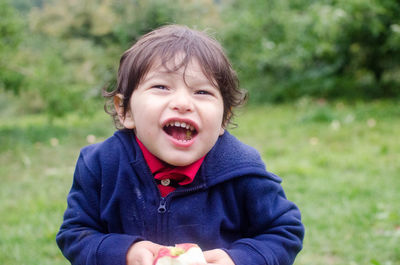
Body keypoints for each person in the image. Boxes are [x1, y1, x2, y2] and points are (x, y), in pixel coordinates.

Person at [56, 24, 304, 265]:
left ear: (224, 119)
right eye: (161, 87)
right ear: (125, 110)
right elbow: (75, 234)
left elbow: (284, 231)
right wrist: (125, 252)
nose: (183, 103)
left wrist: (237, 259)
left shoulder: (242, 169)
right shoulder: (100, 165)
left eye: (202, 92)